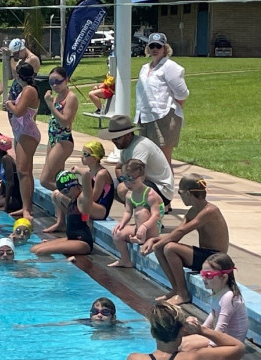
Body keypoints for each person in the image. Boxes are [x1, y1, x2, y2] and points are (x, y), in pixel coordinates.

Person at [141, 174, 229, 305]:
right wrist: (154, 240)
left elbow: (182, 231)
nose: (179, 196)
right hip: (205, 255)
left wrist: (157, 243)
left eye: (179, 192)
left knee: (170, 248)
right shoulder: (193, 211)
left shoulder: (210, 211)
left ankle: (183, 294)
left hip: (217, 259)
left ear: (188, 193)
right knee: (161, 248)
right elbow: (177, 233)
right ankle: (176, 289)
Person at [135, 33, 189, 172]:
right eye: (151, 45)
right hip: (145, 116)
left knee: (163, 160)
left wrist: (174, 105)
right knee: (147, 157)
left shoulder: (170, 67)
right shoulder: (145, 68)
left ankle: (166, 190)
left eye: (158, 46)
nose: (155, 48)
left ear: (165, 48)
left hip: (164, 115)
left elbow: (182, 93)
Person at [99, 115, 174, 208]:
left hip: (161, 189)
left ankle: (144, 215)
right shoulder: (125, 146)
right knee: (109, 185)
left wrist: (125, 180)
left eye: (116, 138)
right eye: (112, 138)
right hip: (144, 182)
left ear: (128, 134)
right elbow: (118, 168)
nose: (114, 141)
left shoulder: (140, 147)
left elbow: (135, 175)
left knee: (122, 188)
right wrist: (124, 179)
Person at [126, 302, 245, 360]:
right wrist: (202, 330)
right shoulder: (193, 357)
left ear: (153, 333)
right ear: (182, 331)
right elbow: (238, 347)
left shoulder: (135, 358)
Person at [180, 253, 248, 352]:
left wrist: (210, 349)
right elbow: (213, 314)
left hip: (232, 344)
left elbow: (221, 327)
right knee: (182, 342)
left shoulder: (229, 297)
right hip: (223, 338)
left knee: (186, 346)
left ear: (224, 277)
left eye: (208, 275)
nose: (203, 278)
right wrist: (199, 330)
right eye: (202, 273)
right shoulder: (217, 292)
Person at [109, 159, 165, 268]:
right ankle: (125, 260)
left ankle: (142, 239)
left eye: (132, 181)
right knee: (117, 235)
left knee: (141, 211)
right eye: (124, 180)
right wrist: (122, 224)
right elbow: (128, 212)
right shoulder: (129, 195)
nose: (128, 184)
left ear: (142, 178)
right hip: (140, 228)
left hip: (153, 228)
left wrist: (144, 227)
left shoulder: (150, 194)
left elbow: (156, 215)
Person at [4, 62, 40, 219]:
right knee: (24, 172)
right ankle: (27, 207)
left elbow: (18, 112)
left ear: (19, 76)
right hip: (21, 133)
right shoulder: (25, 90)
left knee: (23, 171)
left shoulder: (29, 90)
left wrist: (9, 104)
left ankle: (27, 209)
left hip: (28, 133)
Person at [31, 170, 93, 258]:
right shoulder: (72, 200)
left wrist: (77, 170)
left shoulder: (82, 200)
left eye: (66, 191)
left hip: (83, 242)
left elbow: (86, 175)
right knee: (34, 249)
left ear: (74, 185)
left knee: (41, 251)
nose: (65, 194)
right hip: (72, 238)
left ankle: (52, 270)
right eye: (63, 192)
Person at [40, 67, 78, 191]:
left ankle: (76, 195)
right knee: (58, 178)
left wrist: (50, 105)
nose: (55, 85)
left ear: (66, 80)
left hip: (64, 141)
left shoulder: (70, 97)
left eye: (58, 81)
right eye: (51, 82)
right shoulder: (56, 98)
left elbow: (65, 122)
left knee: (45, 181)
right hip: (53, 140)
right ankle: (63, 206)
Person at [6, 38, 41, 115]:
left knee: (23, 118)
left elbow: (17, 73)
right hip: (17, 91)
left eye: (16, 54)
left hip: (25, 92)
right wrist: (7, 58)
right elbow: (10, 76)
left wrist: (11, 57)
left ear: (22, 49)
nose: (16, 56)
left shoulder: (32, 59)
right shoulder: (21, 60)